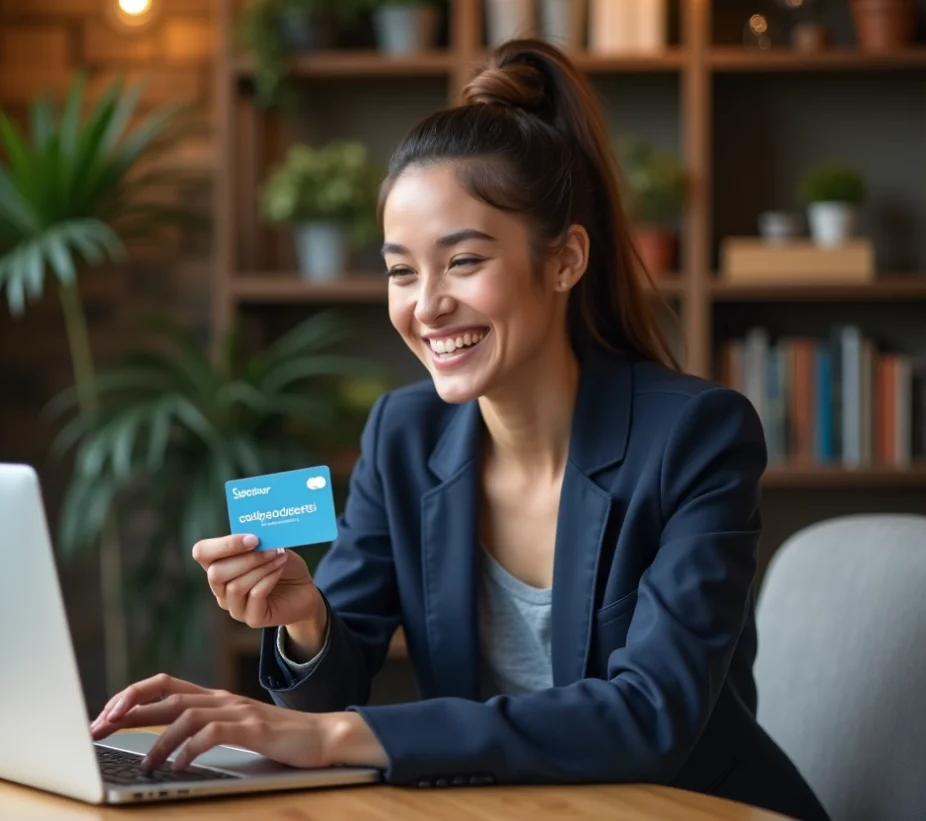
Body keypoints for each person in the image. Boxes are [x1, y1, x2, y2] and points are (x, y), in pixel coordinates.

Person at [90, 39, 830, 821]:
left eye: (463, 261)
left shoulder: (698, 437)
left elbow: (649, 716)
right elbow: (334, 680)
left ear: (565, 259)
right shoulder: (405, 434)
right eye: (402, 270)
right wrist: (305, 623)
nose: (427, 304)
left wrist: (339, 734)